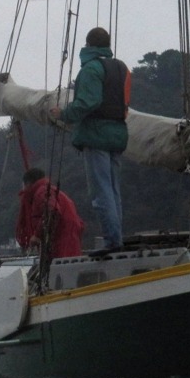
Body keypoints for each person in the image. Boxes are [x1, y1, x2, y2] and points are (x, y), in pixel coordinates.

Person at [49, 27, 130, 250]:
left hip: (96, 135)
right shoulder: (122, 69)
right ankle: (116, 236)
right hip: (118, 134)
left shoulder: (91, 70)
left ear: (88, 45)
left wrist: (64, 114)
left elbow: (88, 102)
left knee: (101, 191)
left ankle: (112, 241)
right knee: (113, 190)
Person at [15, 167, 85, 258]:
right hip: (70, 239)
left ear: (28, 183)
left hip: (62, 243)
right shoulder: (52, 190)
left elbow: (52, 211)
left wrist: (37, 235)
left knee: (60, 270)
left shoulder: (41, 192)